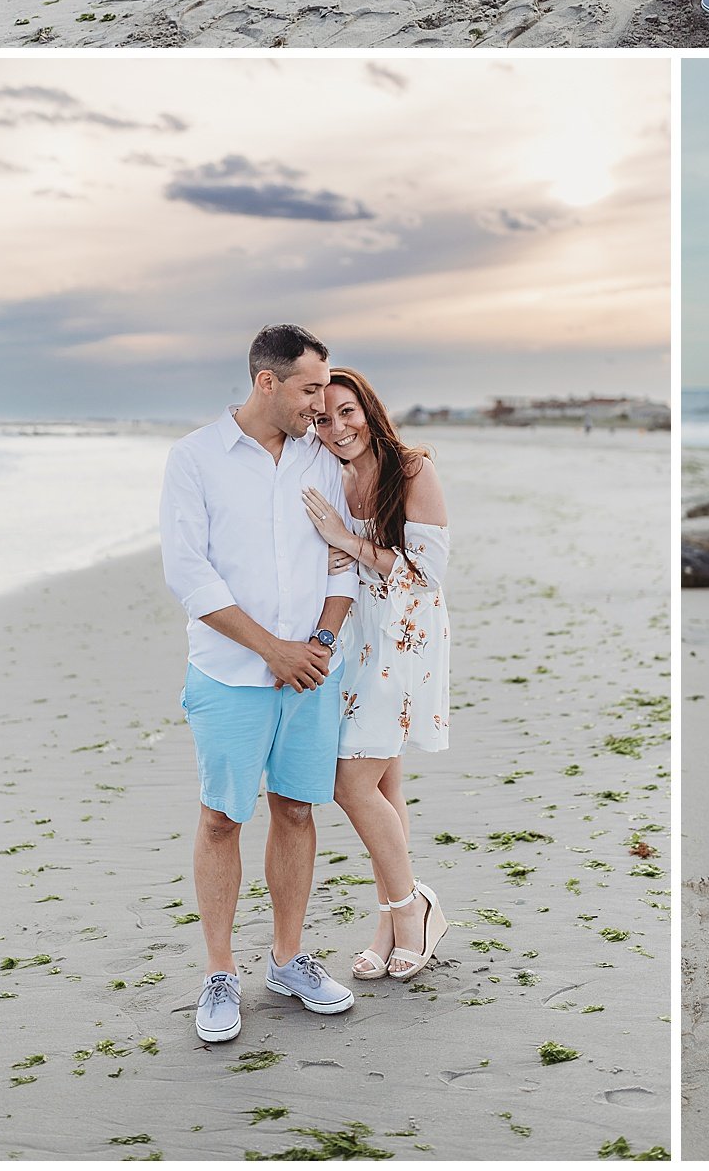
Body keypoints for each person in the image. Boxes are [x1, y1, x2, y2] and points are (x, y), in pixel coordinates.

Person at [159, 323, 358, 1046]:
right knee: (221, 818)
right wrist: (272, 650)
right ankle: (219, 971)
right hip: (230, 673)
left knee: (298, 811)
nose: (321, 403)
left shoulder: (322, 458)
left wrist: (320, 644)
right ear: (266, 382)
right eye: (310, 388)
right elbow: (189, 573)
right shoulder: (196, 459)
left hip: (310, 672)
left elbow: (342, 563)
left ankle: (288, 959)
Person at [303, 368, 451, 982]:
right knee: (385, 788)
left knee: (350, 783)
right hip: (354, 641)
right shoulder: (332, 477)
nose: (338, 427)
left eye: (347, 411)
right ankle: (392, 923)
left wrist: (346, 540)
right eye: (323, 418)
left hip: (403, 642)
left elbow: (428, 573)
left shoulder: (412, 469)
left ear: (369, 408)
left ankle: (409, 906)